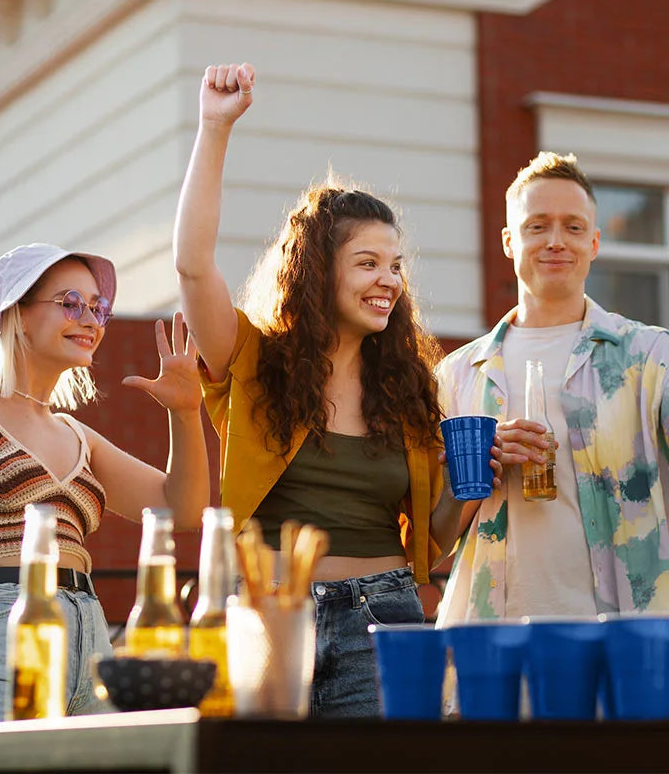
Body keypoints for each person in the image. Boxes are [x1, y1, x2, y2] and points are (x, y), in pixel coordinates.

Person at [173, 62, 502, 717]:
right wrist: (214, 128)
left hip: (384, 622)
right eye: (368, 263)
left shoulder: (408, 387)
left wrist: (471, 491)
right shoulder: (253, 361)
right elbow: (191, 264)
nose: (389, 281)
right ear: (318, 272)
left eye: (396, 266)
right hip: (266, 615)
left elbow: (429, 541)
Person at [0, 243, 209, 726]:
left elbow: (183, 509)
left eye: (99, 308)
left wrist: (186, 412)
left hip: (90, 639)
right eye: (70, 303)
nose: (90, 319)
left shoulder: (78, 436)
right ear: (18, 314)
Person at [435, 151, 669, 627]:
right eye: (537, 226)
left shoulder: (650, 357)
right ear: (508, 241)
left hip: (626, 639)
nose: (556, 241)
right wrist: (481, 467)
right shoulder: (458, 374)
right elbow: (430, 543)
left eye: (573, 227)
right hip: (490, 637)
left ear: (595, 242)